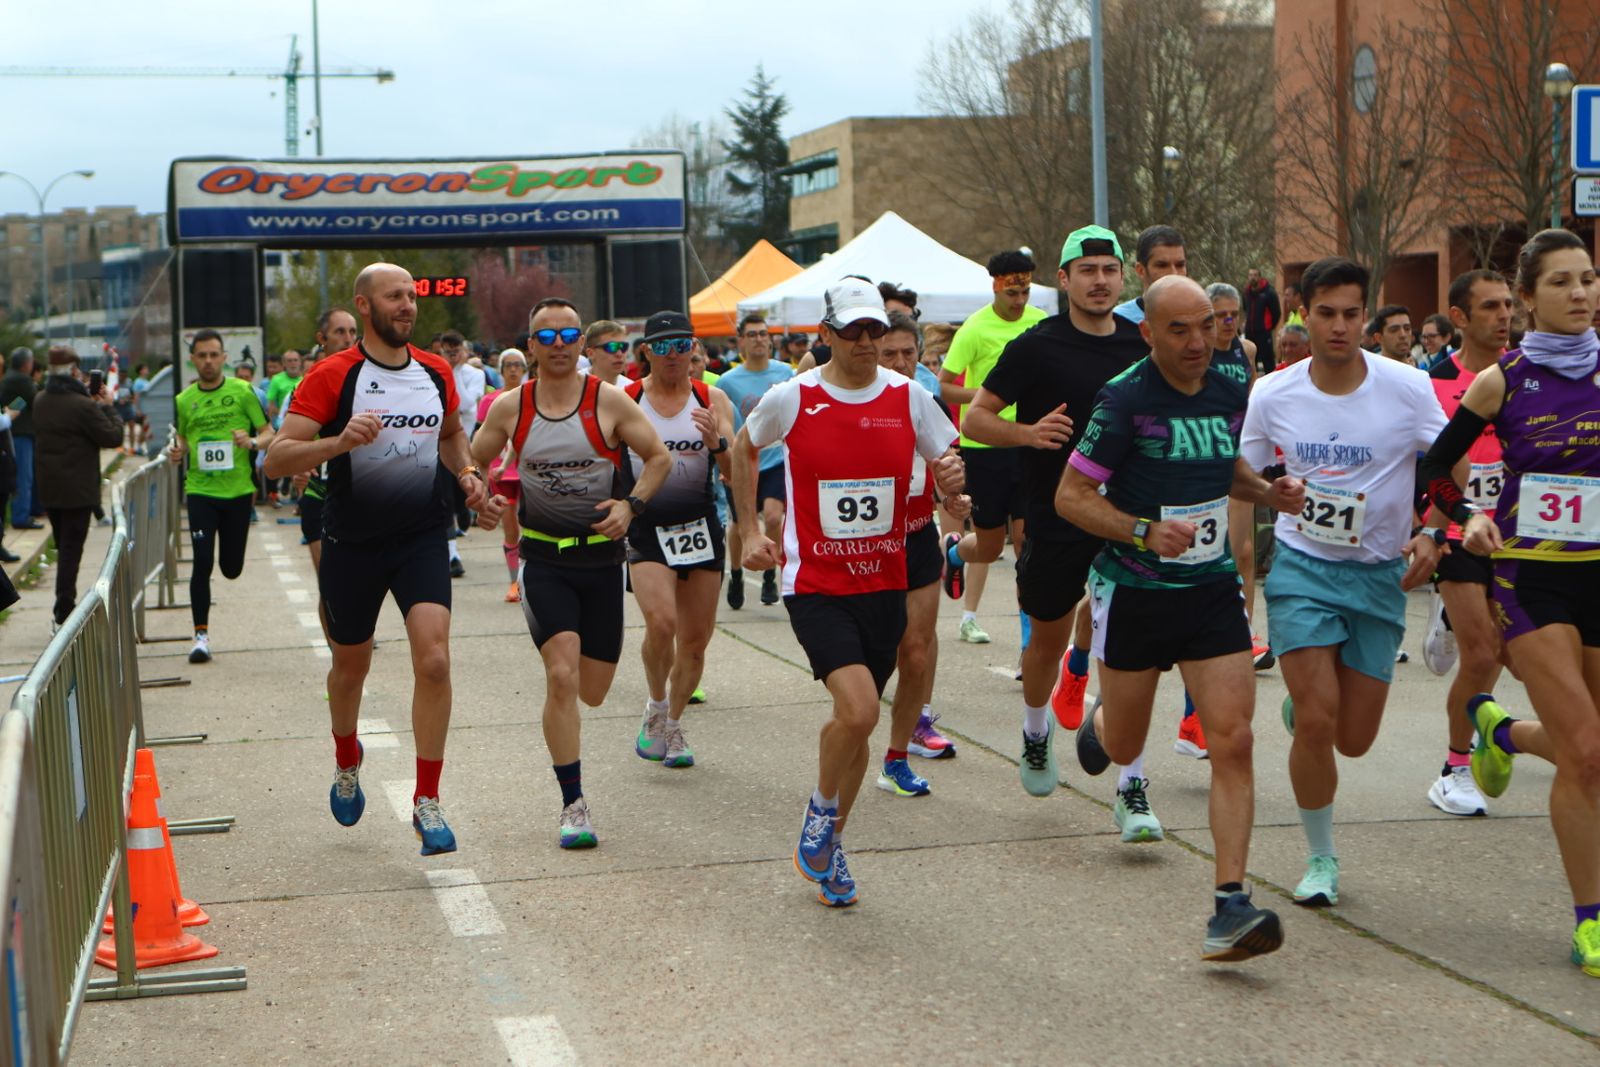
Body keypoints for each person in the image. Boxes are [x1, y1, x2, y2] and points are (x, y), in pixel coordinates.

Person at [1059, 275, 1300, 959]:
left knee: (1235, 739)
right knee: (1125, 744)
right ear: (1148, 333)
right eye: (1180, 329)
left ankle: (1231, 903)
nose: (1199, 341)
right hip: (1135, 589)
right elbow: (1071, 496)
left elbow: (1226, 467)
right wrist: (1141, 531)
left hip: (1209, 589)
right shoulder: (1125, 399)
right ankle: (1101, 722)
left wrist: (1268, 492)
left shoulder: (1228, 388)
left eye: (1207, 326)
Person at [735, 278, 961, 907]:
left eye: (875, 329)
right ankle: (820, 808)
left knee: (857, 727)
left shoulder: (909, 396)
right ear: (827, 334)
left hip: (885, 582)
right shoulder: (794, 396)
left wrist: (953, 481)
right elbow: (744, 448)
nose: (867, 340)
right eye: (854, 330)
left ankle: (832, 843)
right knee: (860, 711)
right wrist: (750, 529)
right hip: (816, 586)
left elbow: (947, 460)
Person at [267, 262, 504, 857]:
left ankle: (428, 800)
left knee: (435, 661)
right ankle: (347, 755)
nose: (407, 305)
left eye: (412, 296)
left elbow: (451, 436)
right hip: (353, 544)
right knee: (350, 668)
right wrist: (339, 442)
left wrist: (469, 474)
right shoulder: (333, 375)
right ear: (365, 305)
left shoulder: (435, 370)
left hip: (420, 537)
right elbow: (276, 459)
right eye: (395, 296)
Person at [1419, 227, 1600, 980]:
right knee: (1586, 752)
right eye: (1561, 281)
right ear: (1527, 298)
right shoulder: (1503, 380)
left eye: (1588, 277)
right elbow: (1435, 466)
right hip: (1533, 579)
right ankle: (1591, 920)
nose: (1580, 292)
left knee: (1595, 751)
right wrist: (1467, 517)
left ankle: (1501, 732)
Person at [1240, 256, 1447, 908]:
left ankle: (1308, 707)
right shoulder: (1274, 392)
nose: (1338, 326)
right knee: (1318, 722)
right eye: (1325, 313)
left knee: (1353, 739)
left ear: (1367, 316)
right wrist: (1270, 495)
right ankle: (1320, 858)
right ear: (1303, 313)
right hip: (1302, 568)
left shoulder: (1408, 387)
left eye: (1351, 314)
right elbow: (1239, 473)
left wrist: (1434, 530)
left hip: (1379, 576)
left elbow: (1451, 465)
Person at [471, 296, 670, 849]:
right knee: (561, 675)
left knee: (594, 691)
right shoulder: (511, 407)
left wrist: (631, 505)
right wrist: (480, 495)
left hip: (601, 561)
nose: (558, 345)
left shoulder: (608, 401)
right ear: (530, 346)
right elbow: (473, 457)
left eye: (567, 335)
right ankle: (573, 805)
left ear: (581, 343)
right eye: (546, 336)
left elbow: (659, 458)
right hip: (543, 560)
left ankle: (577, 773)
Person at [963, 226, 1148, 796]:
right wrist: (1027, 433)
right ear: (1064, 280)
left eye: (1109, 270)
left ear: (1123, 277)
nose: (1099, 281)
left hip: (1126, 516)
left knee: (1130, 645)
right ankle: (1035, 728)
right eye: (1087, 271)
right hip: (1055, 512)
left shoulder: (1142, 343)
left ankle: (1130, 777)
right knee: (1046, 638)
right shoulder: (1036, 345)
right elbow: (975, 418)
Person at [1417, 269, 1516, 818]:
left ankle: (1451, 624)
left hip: (1517, 534)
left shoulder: (1522, 377)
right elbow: (1425, 462)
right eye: (1490, 307)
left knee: (1506, 654)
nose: (1504, 317)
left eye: (1508, 305)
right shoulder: (1431, 382)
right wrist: (1431, 528)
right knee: (1480, 652)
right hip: (1454, 529)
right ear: (1459, 317)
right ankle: (1454, 769)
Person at [620, 311, 736, 770]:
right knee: (662, 622)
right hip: (646, 524)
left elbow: (734, 472)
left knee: (695, 642)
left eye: (682, 345)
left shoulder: (712, 397)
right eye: (664, 346)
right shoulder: (627, 399)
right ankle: (655, 704)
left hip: (699, 527)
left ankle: (673, 723)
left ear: (695, 349)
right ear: (646, 351)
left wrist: (717, 443)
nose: (674, 355)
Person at [877, 310, 972, 790]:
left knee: (916, 649)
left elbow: (944, 463)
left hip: (915, 536)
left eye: (908, 353)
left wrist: (953, 494)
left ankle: (901, 751)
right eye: (889, 354)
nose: (900, 363)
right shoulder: (845, 400)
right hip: (862, 547)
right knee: (873, 661)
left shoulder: (924, 399)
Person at [939, 251, 1048, 653]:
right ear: (996, 287)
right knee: (987, 547)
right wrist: (991, 397)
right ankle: (955, 552)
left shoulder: (1040, 323)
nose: (1019, 301)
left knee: (1024, 542)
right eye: (1011, 293)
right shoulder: (975, 328)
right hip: (984, 447)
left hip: (1029, 442)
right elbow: (943, 385)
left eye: (1024, 292)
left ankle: (1028, 643)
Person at [168, 330, 274, 663]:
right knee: (202, 561)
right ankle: (200, 637)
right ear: (193, 360)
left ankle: (228, 568)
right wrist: (178, 450)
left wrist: (251, 443)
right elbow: (184, 439)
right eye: (202, 355)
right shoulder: (184, 400)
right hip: (200, 490)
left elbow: (269, 433)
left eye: (214, 355)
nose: (208, 361)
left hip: (238, 492)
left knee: (230, 568)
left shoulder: (243, 391)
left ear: (224, 358)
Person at [33, 347, 125, 626]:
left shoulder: (40, 400)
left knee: (64, 546)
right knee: (71, 550)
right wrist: (108, 406)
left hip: (50, 487)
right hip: (78, 490)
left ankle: (64, 604)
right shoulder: (82, 405)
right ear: (74, 371)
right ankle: (64, 609)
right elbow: (112, 436)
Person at [717, 312, 793, 608]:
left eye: (763, 334)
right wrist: (723, 463)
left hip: (775, 460)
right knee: (739, 523)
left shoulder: (786, 373)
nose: (759, 339)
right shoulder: (727, 381)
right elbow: (724, 423)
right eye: (752, 335)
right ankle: (736, 574)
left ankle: (771, 574)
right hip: (743, 462)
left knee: (773, 517)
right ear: (741, 342)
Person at [293, 309, 360, 576]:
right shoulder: (309, 383)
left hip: (360, 493)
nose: (348, 338)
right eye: (339, 332)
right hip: (318, 491)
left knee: (355, 585)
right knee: (330, 584)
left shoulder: (370, 378)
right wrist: (299, 464)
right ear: (322, 338)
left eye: (353, 332)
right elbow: (292, 439)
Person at [479, 349, 529, 602]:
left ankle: (531, 579)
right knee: (510, 528)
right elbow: (480, 439)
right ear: (500, 370)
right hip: (502, 473)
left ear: (524, 368)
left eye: (518, 365)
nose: (513, 369)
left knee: (532, 528)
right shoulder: (490, 401)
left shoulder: (533, 395)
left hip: (530, 470)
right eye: (508, 365)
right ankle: (514, 582)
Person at [438, 331, 485, 577]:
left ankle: (463, 516)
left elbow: (465, 404)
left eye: (456, 351)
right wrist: (447, 369)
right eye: (448, 351)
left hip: (467, 447)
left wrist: (454, 371)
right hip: (442, 446)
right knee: (444, 499)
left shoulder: (475, 375)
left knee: (460, 499)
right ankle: (452, 554)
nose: (452, 355)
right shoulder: (435, 373)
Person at [1111, 225, 1187, 325]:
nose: (1174, 273)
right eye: (1162, 265)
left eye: (1180, 265)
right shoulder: (1119, 321)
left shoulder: (1200, 316)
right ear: (1141, 270)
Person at [0, 348, 41, 531]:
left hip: (13, 431)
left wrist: (18, 405)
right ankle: (21, 516)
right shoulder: (22, 380)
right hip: (21, 433)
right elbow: (35, 399)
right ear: (26, 364)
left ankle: (22, 513)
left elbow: (20, 401)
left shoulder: (9, 377)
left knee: (21, 475)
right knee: (24, 477)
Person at [1243, 267, 1281, 375]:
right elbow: (1245, 309)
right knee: (1250, 361)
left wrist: (1268, 327)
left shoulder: (1269, 293)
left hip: (1264, 333)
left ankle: (1272, 383)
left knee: (1268, 361)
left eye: (1255, 275)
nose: (1253, 278)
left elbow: (1276, 313)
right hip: (1250, 332)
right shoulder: (1246, 292)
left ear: (1260, 277)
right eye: (1250, 275)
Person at [582, 321, 629, 385]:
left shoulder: (631, 388)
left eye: (623, 347)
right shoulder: (574, 385)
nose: (619, 354)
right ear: (591, 353)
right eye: (612, 347)